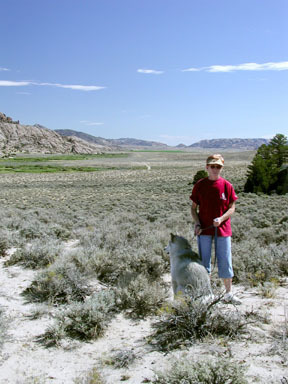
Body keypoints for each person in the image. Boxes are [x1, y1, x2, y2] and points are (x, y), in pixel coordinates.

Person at [190, 154, 241, 304]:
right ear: (207, 167)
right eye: (212, 166)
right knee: (204, 262)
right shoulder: (200, 185)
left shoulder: (227, 185)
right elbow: (193, 209)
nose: (215, 169)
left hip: (223, 229)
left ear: (221, 168)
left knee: (225, 260)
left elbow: (232, 208)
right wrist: (197, 224)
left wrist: (221, 218)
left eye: (218, 166)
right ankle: (206, 293)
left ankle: (229, 293)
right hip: (204, 230)